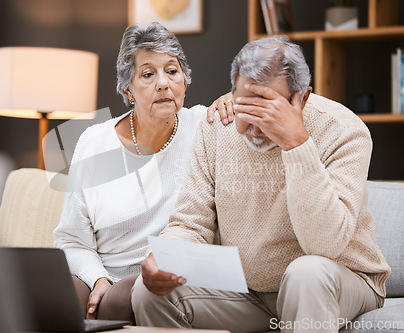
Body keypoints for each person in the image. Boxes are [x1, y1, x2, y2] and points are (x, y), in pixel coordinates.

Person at [132, 35, 390, 333]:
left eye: (267, 110)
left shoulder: (343, 131)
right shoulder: (217, 127)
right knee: (147, 292)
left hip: (338, 279)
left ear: (302, 99)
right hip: (250, 292)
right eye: (245, 107)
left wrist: (297, 144)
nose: (253, 127)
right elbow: (190, 223)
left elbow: (324, 245)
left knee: (306, 274)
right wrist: (167, 256)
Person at [53, 22, 227, 320]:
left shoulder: (204, 126)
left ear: (184, 81)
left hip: (166, 277)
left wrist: (234, 101)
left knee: (123, 299)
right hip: (101, 273)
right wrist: (98, 279)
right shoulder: (94, 141)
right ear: (128, 89)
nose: (163, 83)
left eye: (172, 71)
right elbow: (71, 239)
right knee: (56, 297)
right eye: (148, 74)